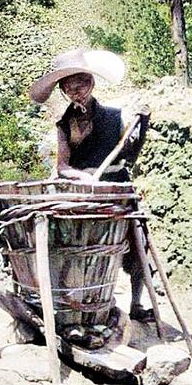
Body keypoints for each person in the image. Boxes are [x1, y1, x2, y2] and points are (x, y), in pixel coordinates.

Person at [29, 47, 154, 322]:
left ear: (92, 82)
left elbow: (130, 155)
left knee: (138, 246)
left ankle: (137, 303)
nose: (78, 91)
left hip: (117, 186)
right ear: (63, 90)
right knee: (83, 249)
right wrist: (82, 176)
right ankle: (86, 307)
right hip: (83, 192)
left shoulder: (114, 115)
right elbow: (62, 167)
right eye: (70, 87)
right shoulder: (64, 124)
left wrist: (140, 130)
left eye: (82, 84)